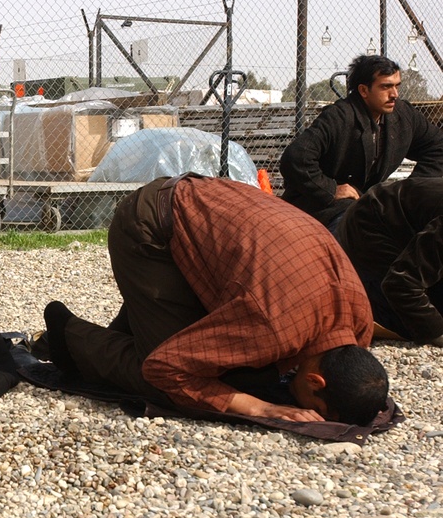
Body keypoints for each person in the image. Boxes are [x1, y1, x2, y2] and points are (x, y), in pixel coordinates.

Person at [43, 174, 389, 425]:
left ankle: (139, 322)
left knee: (240, 372)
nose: (309, 416)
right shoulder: (273, 326)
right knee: (172, 386)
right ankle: (70, 335)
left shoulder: (359, 322)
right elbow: (167, 368)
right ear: (316, 381)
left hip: (209, 211)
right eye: (317, 413)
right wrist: (260, 408)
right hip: (150, 226)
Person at [280, 54, 443, 230]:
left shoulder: (403, 115)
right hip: (321, 207)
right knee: (363, 231)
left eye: (397, 86)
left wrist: (409, 193)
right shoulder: (339, 117)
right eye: (386, 87)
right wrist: (331, 189)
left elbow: (438, 146)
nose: (394, 94)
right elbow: (295, 158)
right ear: (364, 90)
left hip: (365, 204)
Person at [336, 176, 443, 346]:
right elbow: (401, 283)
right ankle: (346, 310)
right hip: (372, 220)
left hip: (410, 224)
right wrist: (436, 333)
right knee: (415, 321)